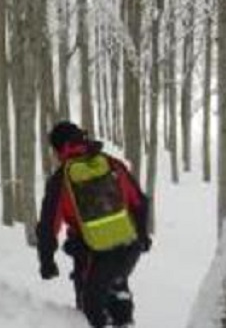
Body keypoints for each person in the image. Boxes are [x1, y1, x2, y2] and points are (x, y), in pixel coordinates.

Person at [36, 121, 151, 328]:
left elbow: (47, 227)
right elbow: (140, 202)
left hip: (91, 255)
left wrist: (47, 262)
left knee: (91, 311)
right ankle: (123, 318)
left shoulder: (61, 180)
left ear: (58, 148)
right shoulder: (112, 164)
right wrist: (142, 235)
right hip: (128, 247)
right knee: (118, 288)